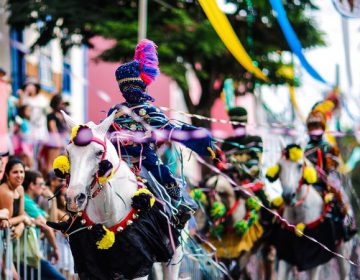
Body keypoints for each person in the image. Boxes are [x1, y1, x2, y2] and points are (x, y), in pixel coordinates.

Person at [107, 39, 216, 229]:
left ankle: (178, 209)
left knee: (164, 175)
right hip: (125, 160)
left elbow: (168, 130)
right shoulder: (119, 111)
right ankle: (179, 206)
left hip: (140, 160)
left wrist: (196, 136)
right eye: (126, 87)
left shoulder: (121, 111)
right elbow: (171, 131)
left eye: (130, 86)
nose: (129, 91)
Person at [305, 108, 356, 239]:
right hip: (310, 182)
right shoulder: (305, 148)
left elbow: (335, 165)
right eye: (311, 127)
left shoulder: (328, 146)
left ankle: (348, 224)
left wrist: (329, 167)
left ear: (322, 127)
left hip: (327, 181)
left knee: (340, 196)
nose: (314, 130)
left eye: (316, 126)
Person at [23, 170, 66, 280]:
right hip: (27, 254)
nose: (44, 187)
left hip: (32, 254)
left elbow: (51, 222)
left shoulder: (31, 202)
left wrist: (52, 199)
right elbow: (48, 225)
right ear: (32, 185)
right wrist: (55, 248)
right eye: (41, 184)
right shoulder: (26, 200)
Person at [0, 158, 32, 280]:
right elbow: (7, 220)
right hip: (3, 238)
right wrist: (23, 219)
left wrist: (21, 225)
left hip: (9, 239)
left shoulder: (20, 189)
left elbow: (21, 213)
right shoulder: (5, 191)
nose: (19, 175)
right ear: (7, 174)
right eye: (15, 172)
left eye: (21, 171)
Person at [45, 94, 68, 174]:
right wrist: (58, 140)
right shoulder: (51, 115)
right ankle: (50, 177)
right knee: (51, 161)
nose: (62, 106)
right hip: (54, 140)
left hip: (61, 140)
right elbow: (53, 128)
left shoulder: (63, 116)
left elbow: (66, 129)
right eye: (61, 103)